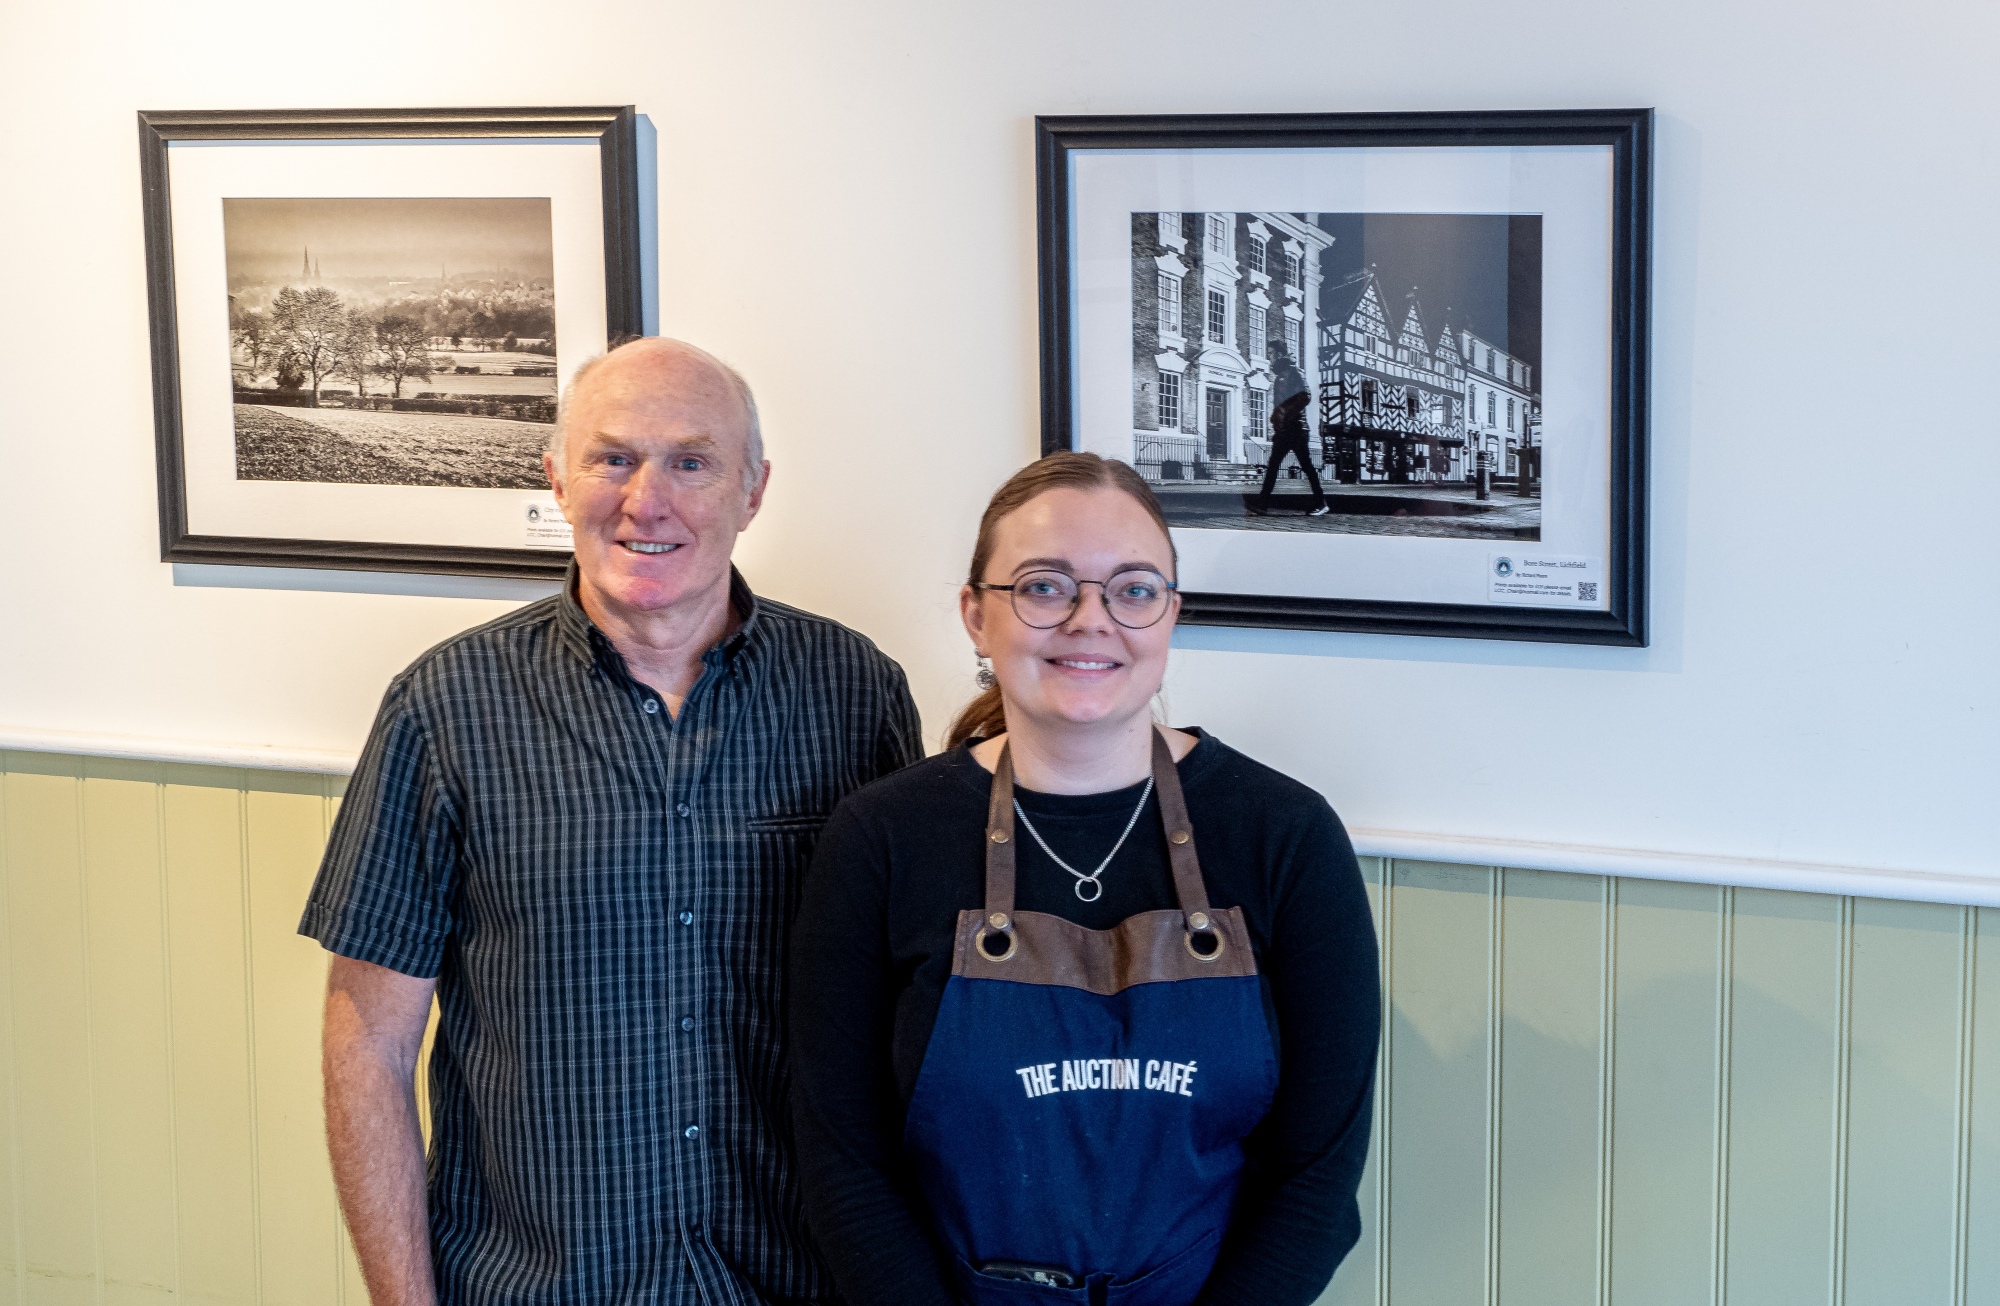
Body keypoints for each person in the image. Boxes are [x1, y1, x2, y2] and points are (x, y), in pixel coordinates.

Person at [302, 337, 922, 1305]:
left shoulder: (853, 695)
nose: (647, 499)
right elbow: (366, 1046)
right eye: (612, 457)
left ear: (753, 490)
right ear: (556, 476)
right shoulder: (444, 710)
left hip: (793, 1282)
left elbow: (907, 1028)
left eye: (690, 460)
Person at [789, 452, 1379, 1306]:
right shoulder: (881, 840)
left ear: (1171, 615)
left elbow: (1316, 1182)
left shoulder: (1285, 837)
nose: (1089, 620)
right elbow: (844, 1164)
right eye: (1043, 586)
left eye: (1133, 590)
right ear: (976, 616)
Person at [1253, 343, 1330, 516]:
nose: (1269, 357)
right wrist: (1276, 417)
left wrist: (1284, 412)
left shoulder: (1295, 372)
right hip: (1285, 430)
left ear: (1280, 354)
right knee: (1273, 466)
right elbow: (1282, 403)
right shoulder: (1281, 375)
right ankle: (1262, 504)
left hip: (1297, 428)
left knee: (1306, 466)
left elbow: (1305, 396)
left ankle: (1321, 503)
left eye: (1271, 353)